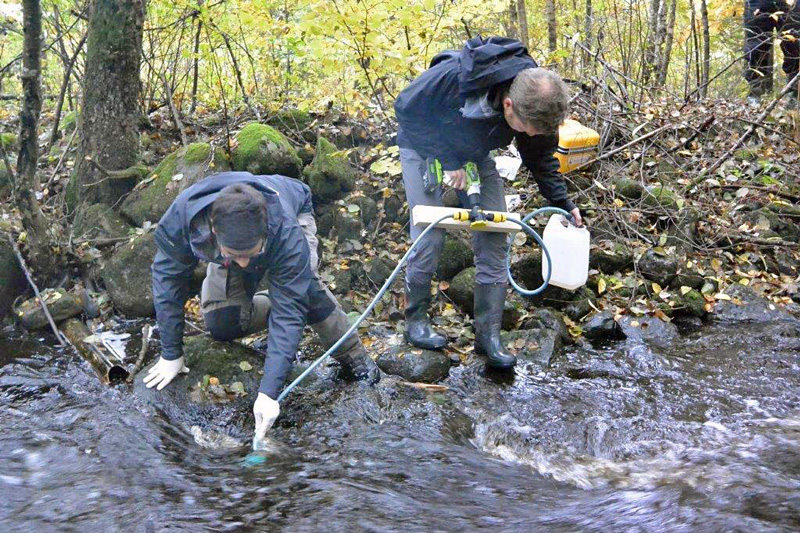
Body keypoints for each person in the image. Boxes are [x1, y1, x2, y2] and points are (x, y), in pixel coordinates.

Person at [143, 171, 380, 440]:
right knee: (222, 323)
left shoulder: (284, 231)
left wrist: (268, 393)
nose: (243, 264)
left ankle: (354, 355)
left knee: (306, 291)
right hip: (235, 244)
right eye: (235, 255)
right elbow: (167, 280)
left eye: (250, 254)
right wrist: (171, 353)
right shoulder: (182, 219)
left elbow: (289, 313)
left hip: (292, 213)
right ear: (214, 231)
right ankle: (269, 298)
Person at [394, 36, 580, 370]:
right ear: (509, 106)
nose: (534, 135)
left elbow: (540, 158)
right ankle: (416, 322)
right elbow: (405, 108)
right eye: (529, 130)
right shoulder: (453, 76)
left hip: (474, 152)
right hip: (423, 145)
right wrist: (447, 160)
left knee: (496, 231)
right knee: (430, 233)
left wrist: (563, 203)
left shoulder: (539, 107)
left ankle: (488, 336)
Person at [744, 0, 800, 103]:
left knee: (794, 45)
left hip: (791, 3)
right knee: (755, 47)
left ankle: (793, 95)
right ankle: (755, 94)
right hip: (757, 2)